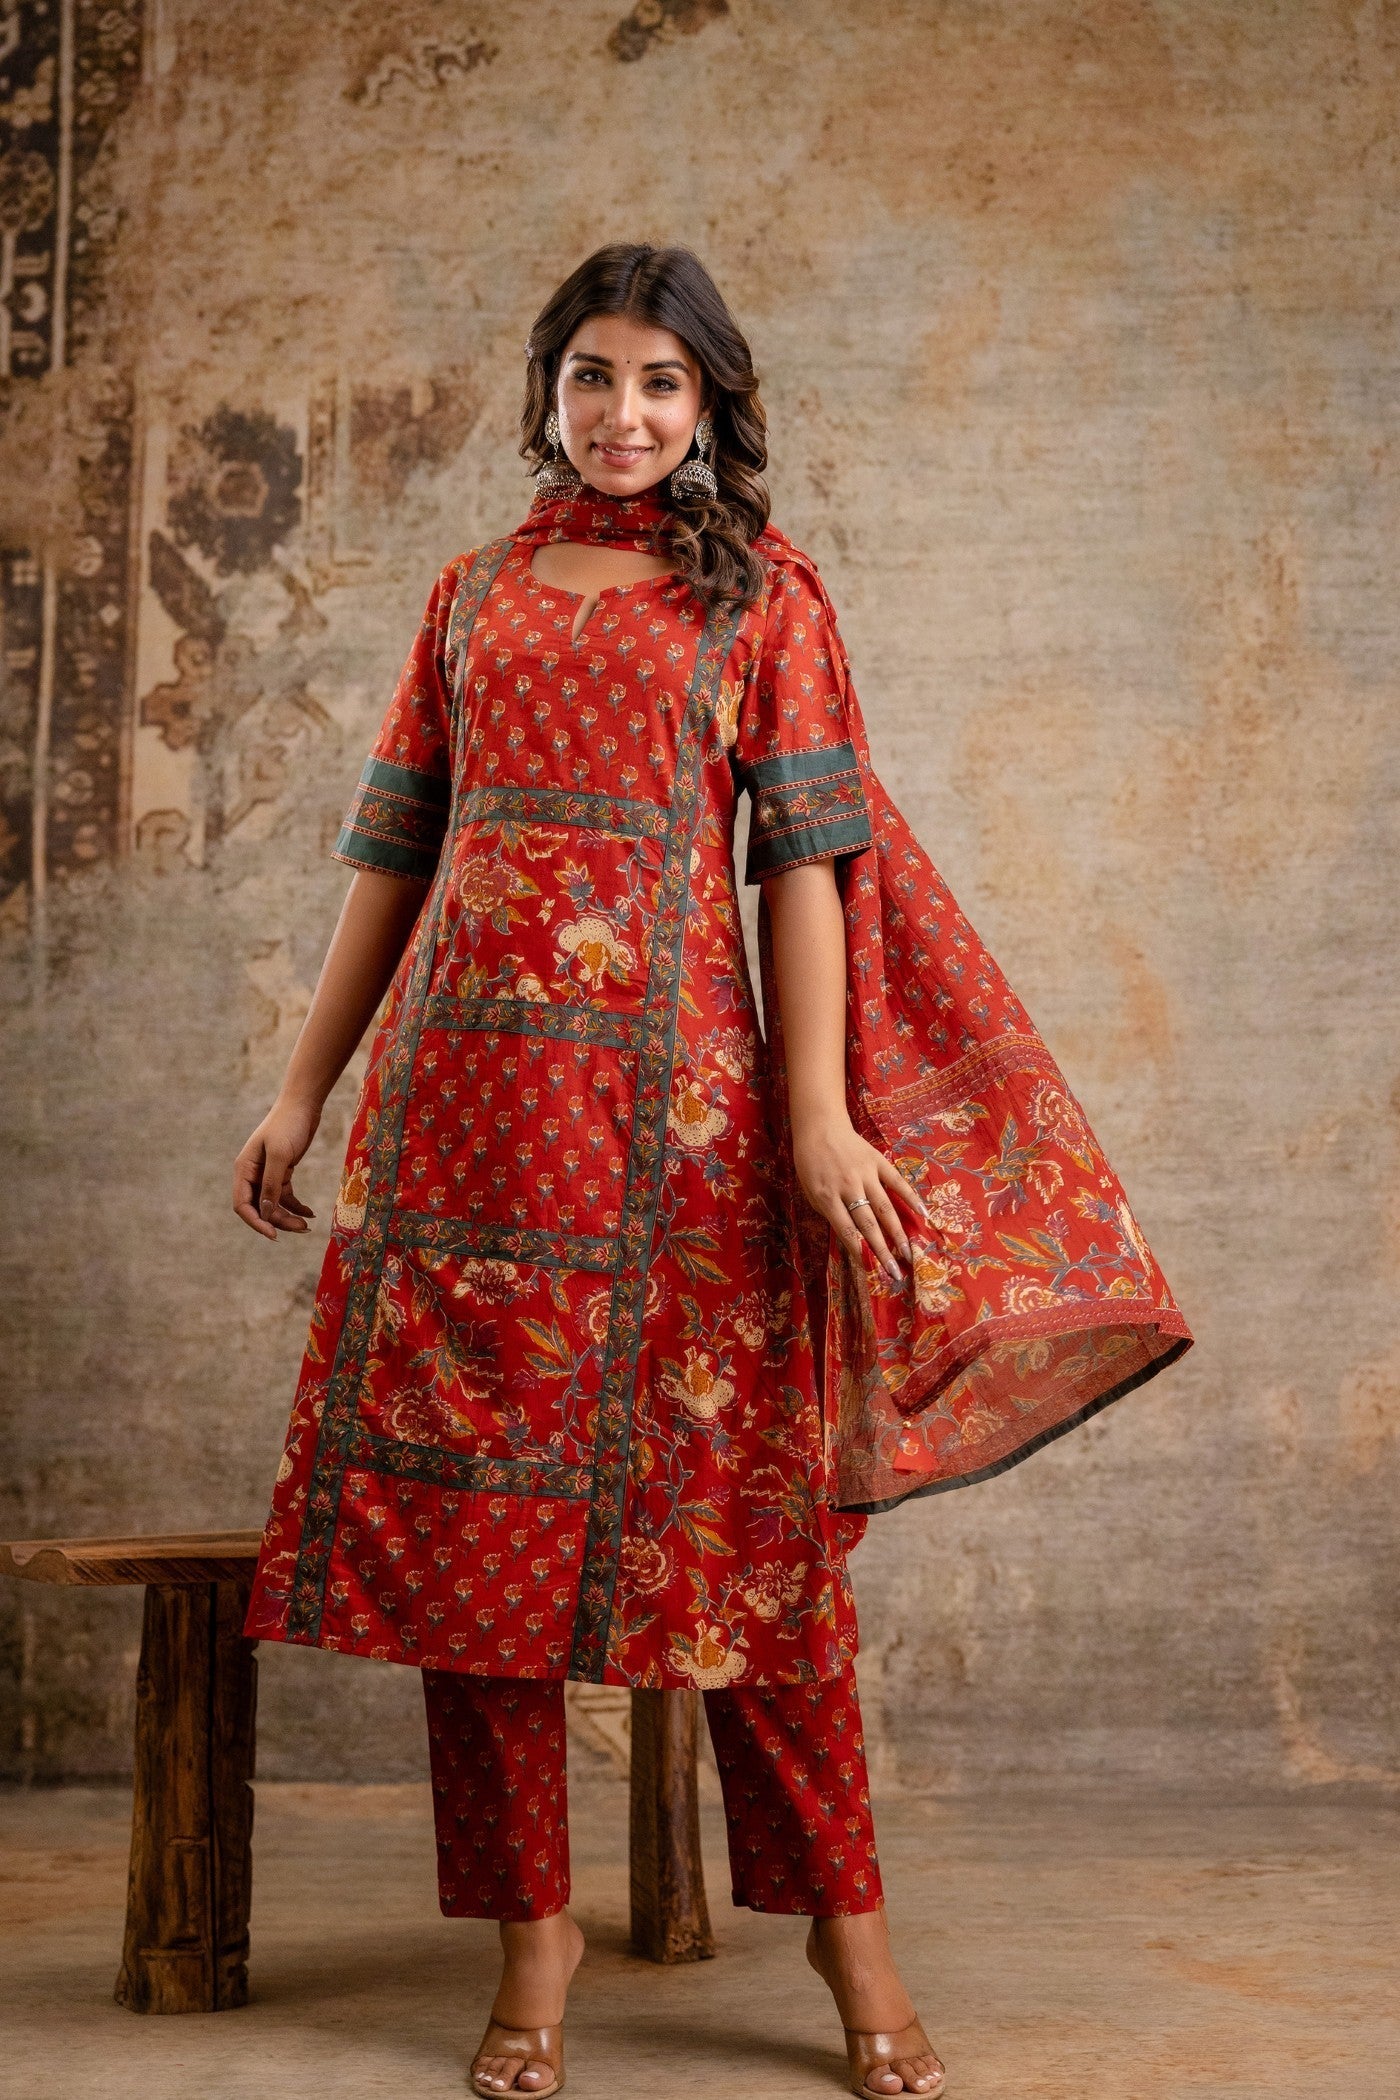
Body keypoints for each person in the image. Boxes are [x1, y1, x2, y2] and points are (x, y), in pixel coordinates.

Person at [235, 244, 1191, 2099]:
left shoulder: (764, 600)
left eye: (662, 383)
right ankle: (532, 1946)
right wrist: (300, 1092)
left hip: (684, 1135)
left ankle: (853, 1946)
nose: (624, 413)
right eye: (593, 376)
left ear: (711, 407)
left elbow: (806, 867)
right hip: (464, 1138)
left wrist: (819, 1116)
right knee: (484, 1557)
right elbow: (397, 853)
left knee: (758, 1554)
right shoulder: (467, 598)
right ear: (549, 390)